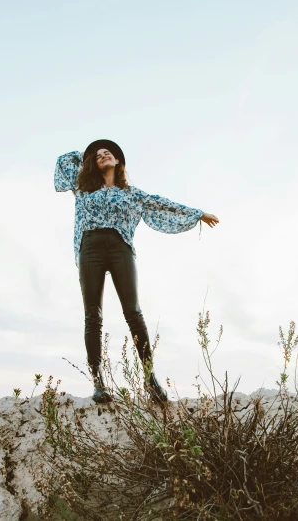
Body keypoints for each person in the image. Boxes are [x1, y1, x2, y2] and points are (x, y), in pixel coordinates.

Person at [54, 139, 220, 405]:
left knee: (133, 312)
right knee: (92, 316)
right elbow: (64, 160)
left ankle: (149, 379)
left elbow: (163, 204)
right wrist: (86, 156)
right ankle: (99, 383)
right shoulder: (82, 188)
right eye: (97, 155)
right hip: (90, 248)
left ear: (119, 161)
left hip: (120, 248)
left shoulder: (132, 194)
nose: (103, 154)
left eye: (108, 152)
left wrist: (198, 214)